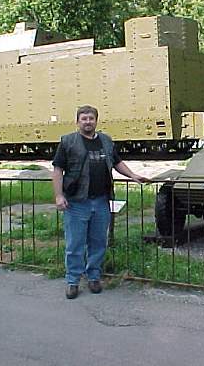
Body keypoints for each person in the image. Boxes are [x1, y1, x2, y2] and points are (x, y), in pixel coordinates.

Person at [52, 105, 149, 299]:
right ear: (77, 122)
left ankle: (94, 276)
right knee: (75, 245)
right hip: (77, 202)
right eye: (84, 119)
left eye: (91, 118)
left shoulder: (106, 141)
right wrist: (59, 196)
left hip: (101, 201)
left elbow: (116, 162)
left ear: (96, 121)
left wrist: (133, 175)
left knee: (98, 242)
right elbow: (57, 170)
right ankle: (73, 281)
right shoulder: (68, 142)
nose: (88, 122)